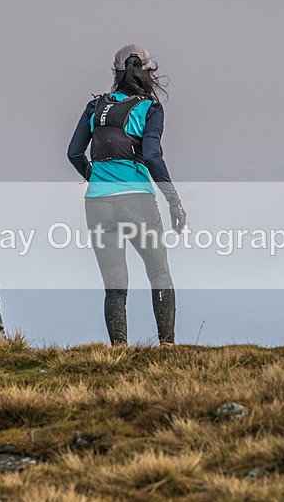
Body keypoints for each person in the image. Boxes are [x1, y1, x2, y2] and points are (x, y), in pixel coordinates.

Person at [67, 44, 187, 347]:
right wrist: (173, 200)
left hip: (97, 203)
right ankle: (167, 346)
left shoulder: (95, 106)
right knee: (159, 273)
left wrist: (95, 177)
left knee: (115, 286)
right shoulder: (150, 108)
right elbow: (153, 156)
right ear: (148, 72)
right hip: (137, 200)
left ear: (115, 72)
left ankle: (118, 350)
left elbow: (74, 153)